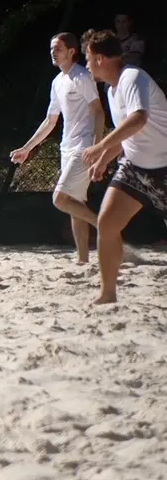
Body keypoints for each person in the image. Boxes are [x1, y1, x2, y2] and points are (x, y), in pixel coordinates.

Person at [79, 29, 167, 305]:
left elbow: (138, 119)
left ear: (101, 58)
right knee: (106, 223)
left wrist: (99, 148)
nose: (87, 64)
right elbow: (126, 133)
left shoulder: (133, 77)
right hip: (135, 169)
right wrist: (105, 159)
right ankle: (108, 294)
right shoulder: (111, 89)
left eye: (88, 58)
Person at [9, 33, 104, 264]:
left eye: (58, 48)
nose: (54, 52)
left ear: (72, 51)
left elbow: (99, 112)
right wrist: (27, 148)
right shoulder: (57, 81)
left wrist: (97, 148)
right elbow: (50, 121)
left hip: (84, 146)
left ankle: (106, 226)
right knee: (75, 204)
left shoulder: (81, 76)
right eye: (52, 49)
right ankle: (83, 259)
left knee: (60, 199)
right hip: (66, 146)